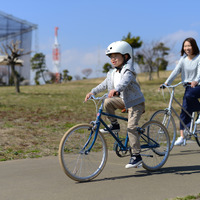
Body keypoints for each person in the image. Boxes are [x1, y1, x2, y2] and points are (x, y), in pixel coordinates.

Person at [85, 41, 145, 168]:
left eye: (116, 56)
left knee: (131, 128)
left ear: (126, 56)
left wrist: (117, 89)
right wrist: (92, 91)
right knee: (107, 102)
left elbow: (125, 81)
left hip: (135, 103)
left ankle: (136, 156)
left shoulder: (128, 70)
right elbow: (104, 84)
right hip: (123, 101)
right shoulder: (112, 73)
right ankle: (114, 125)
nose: (113, 59)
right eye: (111, 57)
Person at [162, 37, 200, 146]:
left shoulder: (199, 58)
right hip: (188, 87)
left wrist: (196, 81)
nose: (187, 48)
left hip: (198, 86)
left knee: (189, 96)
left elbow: (199, 72)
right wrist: (166, 83)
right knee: (184, 111)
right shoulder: (183, 59)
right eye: (185, 46)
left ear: (194, 46)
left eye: (189, 46)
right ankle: (183, 137)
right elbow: (175, 71)